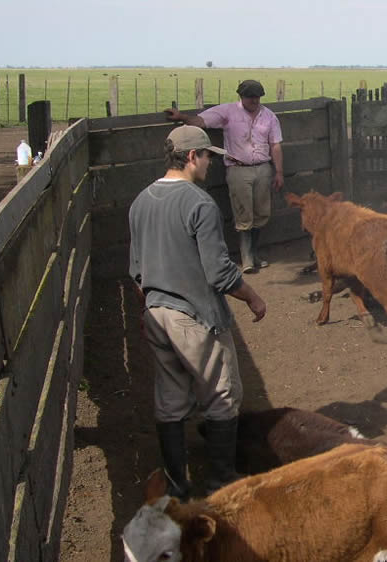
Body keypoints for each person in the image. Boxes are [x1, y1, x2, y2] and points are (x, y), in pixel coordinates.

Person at [129, 125, 268, 498]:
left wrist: (148, 311)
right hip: (195, 316)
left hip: (157, 313)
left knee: (171, 399)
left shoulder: (141, 201)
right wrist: (253, 297)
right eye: (208, 155)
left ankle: (177, 485)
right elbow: (219, 272)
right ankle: (221, 479)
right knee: (222, 394)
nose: (211, 163)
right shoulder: (199, 204)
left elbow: (137, 270)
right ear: (191, 157)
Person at [165, 79, 284, 273]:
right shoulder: (228, 112)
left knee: (262, 213)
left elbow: (275, 145)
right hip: (238, 169)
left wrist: (278, 171)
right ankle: (246, 258)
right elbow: (201, 121)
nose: (254, 100)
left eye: (257, 96)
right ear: (241, 96)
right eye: (249, 96)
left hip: (263, 167)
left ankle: (254, 253)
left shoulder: (269, 117)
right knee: (243, 213)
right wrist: (182, 116)